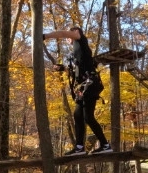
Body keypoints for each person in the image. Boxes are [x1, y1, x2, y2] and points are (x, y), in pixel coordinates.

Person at [43, 26, 110, 156]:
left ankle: (105, 145)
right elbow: (77, 71)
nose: (68, 37)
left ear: (76, 33)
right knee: (78, 115)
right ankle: (79, 147)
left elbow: (63, 32)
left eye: (70, 35)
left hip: (90, 86)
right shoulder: (77, 52)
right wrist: (63, 68)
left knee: (88, 117)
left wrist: (45, 36)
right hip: (84, 87)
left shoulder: (81, 41)